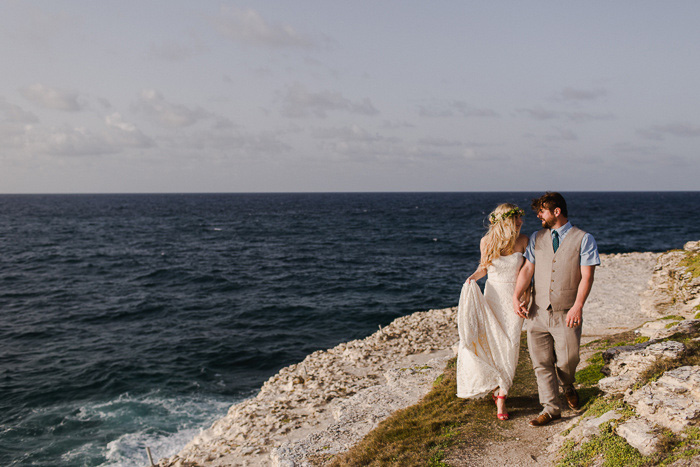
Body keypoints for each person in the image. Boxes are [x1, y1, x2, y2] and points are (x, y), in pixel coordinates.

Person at [512, 192, 600, 427]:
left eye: (542, 211)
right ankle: (551, 409)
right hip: (537, 312)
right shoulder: (536, 237)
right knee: (541, 363)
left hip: (567, 312)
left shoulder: (584, 239)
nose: (539, 216)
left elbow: (587, 277)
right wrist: (516, 296)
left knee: (568, 361)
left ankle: (568, 384)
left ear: (556, 212)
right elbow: (528, 269)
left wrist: (578, 307)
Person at [456, 203, 530, 421]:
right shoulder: (487, 242)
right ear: (507, 221)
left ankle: (502, 392)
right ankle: (500, 395)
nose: (521, 222)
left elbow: (527, 273)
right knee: (493, 343)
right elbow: (484, 268)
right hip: (493, 296)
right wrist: (471, 279)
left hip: (513, 298)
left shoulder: (524, 241)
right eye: (517, 219)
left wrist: (525, 297)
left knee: (510, 345)